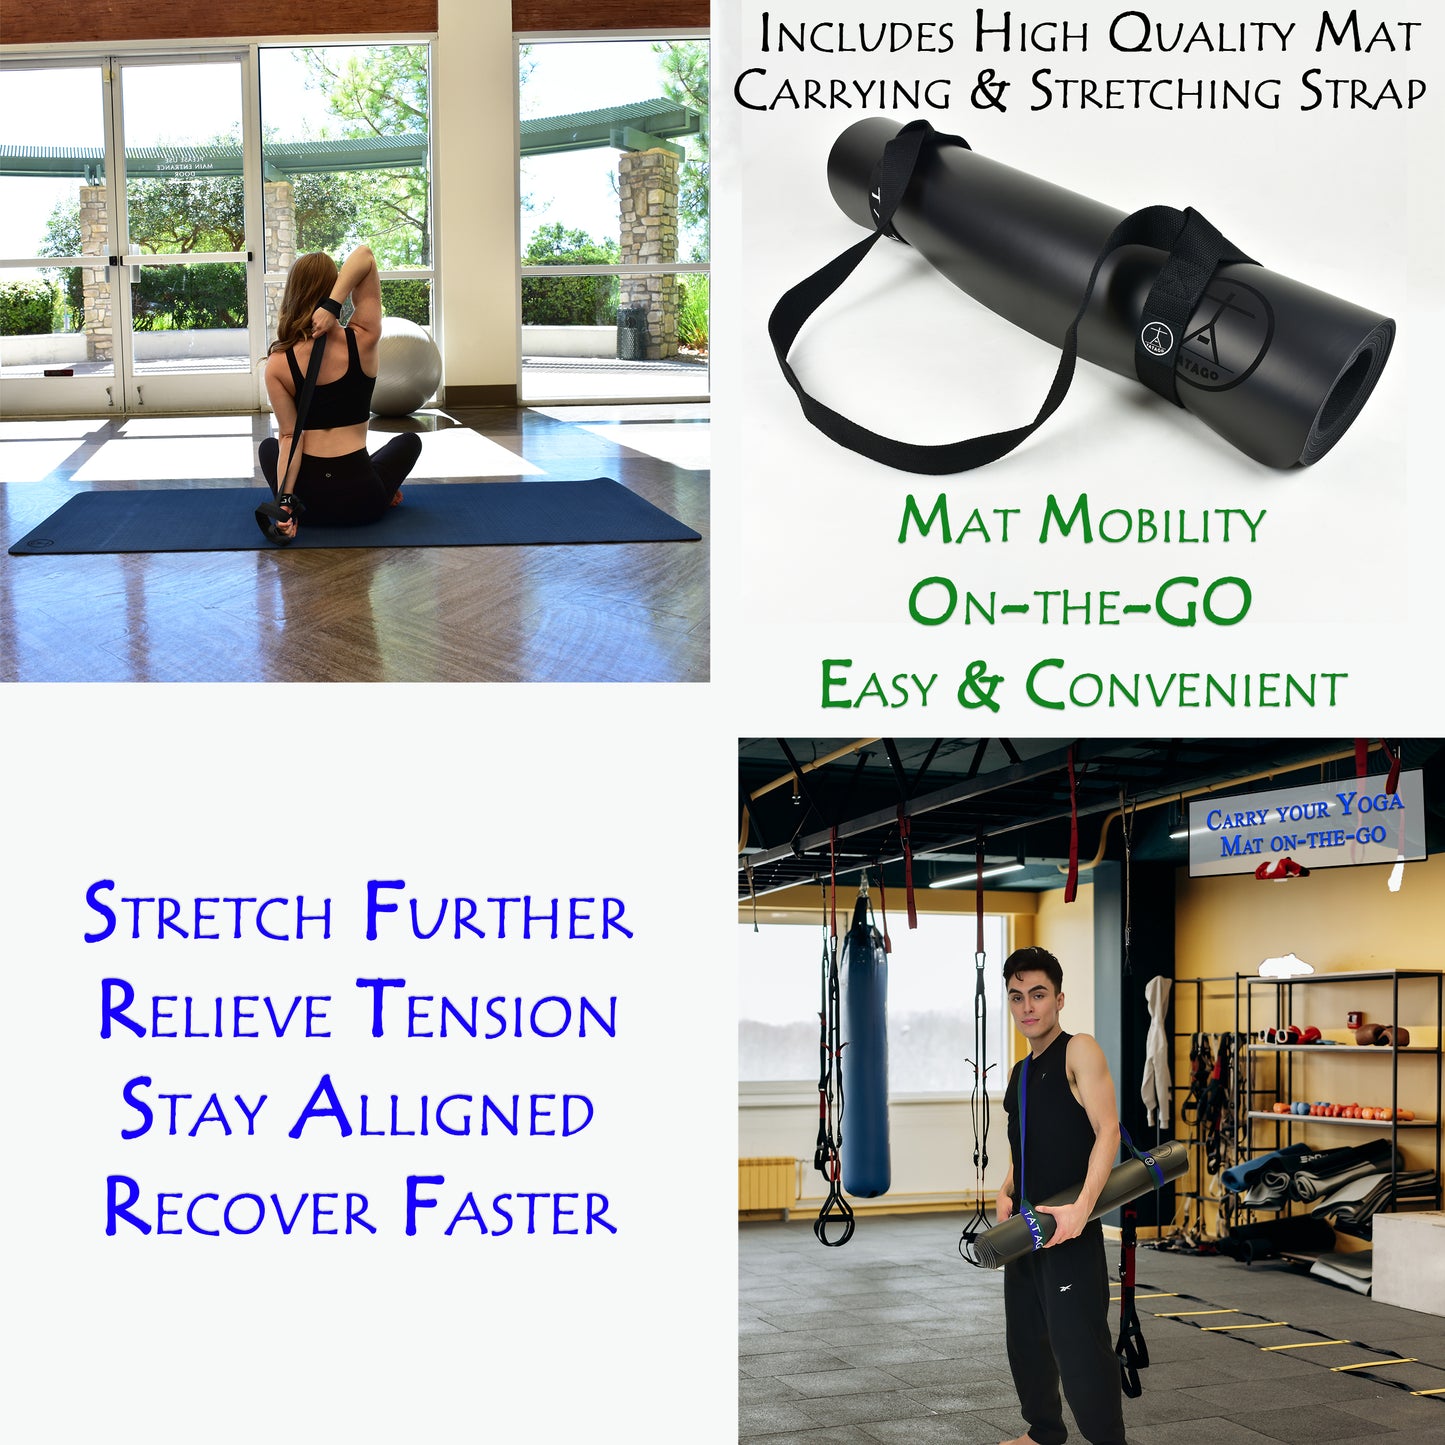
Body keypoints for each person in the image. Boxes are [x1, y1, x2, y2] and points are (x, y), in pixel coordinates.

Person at [995, 946, 1126, 1445]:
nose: (1028, 1007)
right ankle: (1043, 1432)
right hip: (1024, 1228)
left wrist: (1081, 1211)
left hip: (1069, 1227)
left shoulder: (1080, 1049)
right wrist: (1007, 1188)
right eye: (1017, 997)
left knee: (1080, 1347)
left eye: (1038, 995)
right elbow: (1024, 1140)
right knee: (1026, 1339)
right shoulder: (1020, 1072)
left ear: (1059, 999)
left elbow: (1107, 1131)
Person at [258, 245, 421, 543]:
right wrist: (333, 302)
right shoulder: (364, 338)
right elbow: (366, 256)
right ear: (336, 286)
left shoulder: (278, 363)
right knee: (410, 441)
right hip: (363, 502)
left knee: (270, 446)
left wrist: (286, 504)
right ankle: (385, 488)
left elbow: (290, 438)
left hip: (310, 507)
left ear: (292, 293)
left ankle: (290, 502)